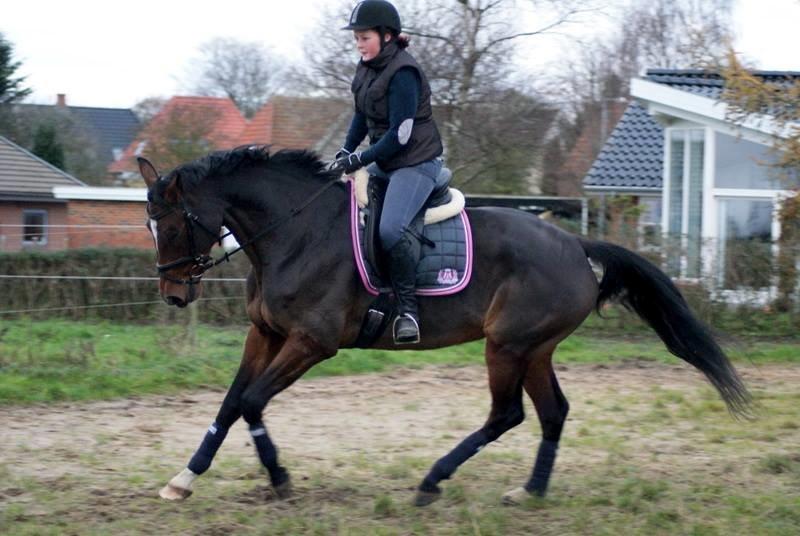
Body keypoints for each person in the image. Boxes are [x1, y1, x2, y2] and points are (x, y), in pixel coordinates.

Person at [330, 0, 444, 345]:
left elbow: (400, 136)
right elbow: (361, 115)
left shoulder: (404, 72)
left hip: (416, 162)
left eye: (364, 37)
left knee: (391, 229)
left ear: (387, 36)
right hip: (386, 162)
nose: (359, 44)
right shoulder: (366, 68)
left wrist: (359, 160)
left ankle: (408, 311)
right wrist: (346, 150)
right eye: (356, 39)